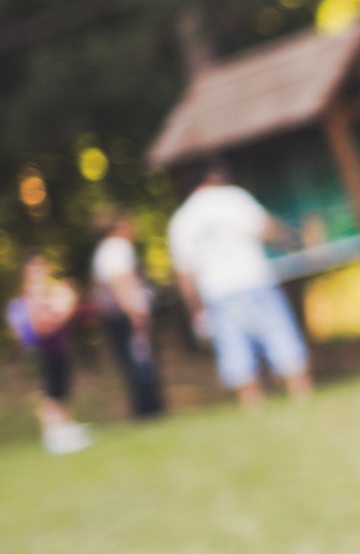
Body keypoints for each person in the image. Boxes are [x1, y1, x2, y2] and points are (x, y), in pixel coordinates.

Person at [165, 161, 311, 408]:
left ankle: (252, 406)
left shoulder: (182, 219)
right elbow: (267, 229)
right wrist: (296, 239)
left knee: (236, 353)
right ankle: (302, 396)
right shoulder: (233, 198)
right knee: (281, 339)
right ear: (212, 175)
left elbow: (185, 273)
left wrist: (195, 309)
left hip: (217, 291)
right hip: (254, 279)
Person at [5, 253, 91, 454]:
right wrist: (57, 316)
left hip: (60, 345)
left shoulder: (48, 290)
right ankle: (53, 436)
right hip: (46, 349)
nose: (40, 271)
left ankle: (66, 430)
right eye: (35, 268)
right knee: (51, 394)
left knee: (63, 390)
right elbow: (41, 324)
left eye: (42, 266)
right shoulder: (31, 295)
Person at [90, 208, 166, 419]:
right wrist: (136, 314)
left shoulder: (105, 250)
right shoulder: (117, 248)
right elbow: (121, 283)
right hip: (126, 316)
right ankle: (149, 411)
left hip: (119, 316)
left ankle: (147, 410)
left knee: (134, 363)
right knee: (139, 364)